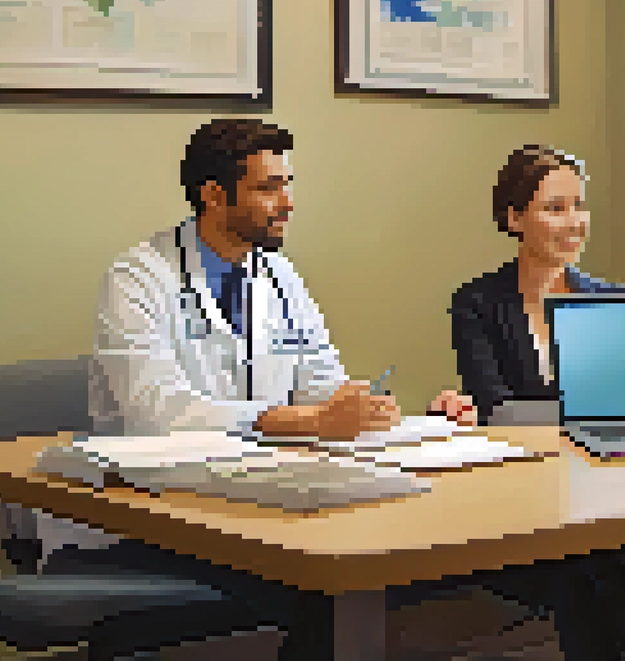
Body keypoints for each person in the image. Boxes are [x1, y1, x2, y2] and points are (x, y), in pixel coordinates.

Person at [37, 118, 475, 661]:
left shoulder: (279, 277)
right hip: (154, 515)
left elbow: (323, 385)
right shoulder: (138, 278)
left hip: (258, 508)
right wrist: (305, 422)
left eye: (288, 184)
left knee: (364, 580)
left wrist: (402, 416)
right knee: (327, 594)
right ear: (214, 196)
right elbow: (158, 410)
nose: (287, 202)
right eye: (269, 188)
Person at [449, 145, 625, 661]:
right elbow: (496, 410)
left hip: (606, 491)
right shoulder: (477, 304)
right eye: (554, 208)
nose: (574, 222)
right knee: (582, 568)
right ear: (515, 218)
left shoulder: (617, 302)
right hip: (524, 499)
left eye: (579, 206)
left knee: (586, 566)